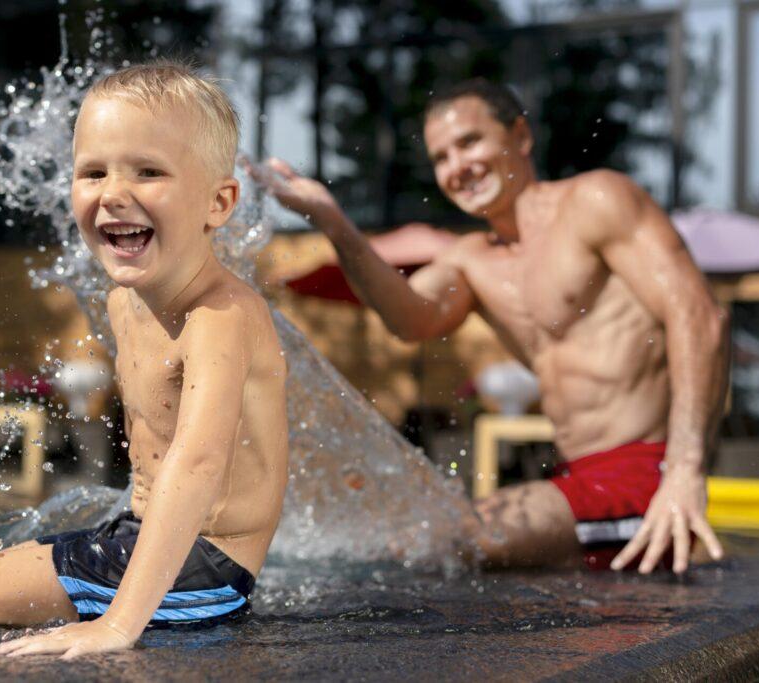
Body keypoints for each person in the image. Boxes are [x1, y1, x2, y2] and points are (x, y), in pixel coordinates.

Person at [0, 62, 289, 658]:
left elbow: (196, 467)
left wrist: (117, 625)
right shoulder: (124, 304)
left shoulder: (223, 317)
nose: (114, 194)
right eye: (93, 172)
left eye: (149, 171)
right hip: (142, 541)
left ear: (218, 204)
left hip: (209, 569)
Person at [262, 79, 727, 575]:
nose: (458, 167)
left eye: (470, 142)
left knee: (456, 541)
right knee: (416, 535)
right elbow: (407, 318)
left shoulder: (596, 200)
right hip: (579, 478)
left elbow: (699, 317)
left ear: (520, 136)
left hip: (645, 472)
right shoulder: (471, 260)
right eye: (441, 157)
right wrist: (333, 221)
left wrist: (683, 471)